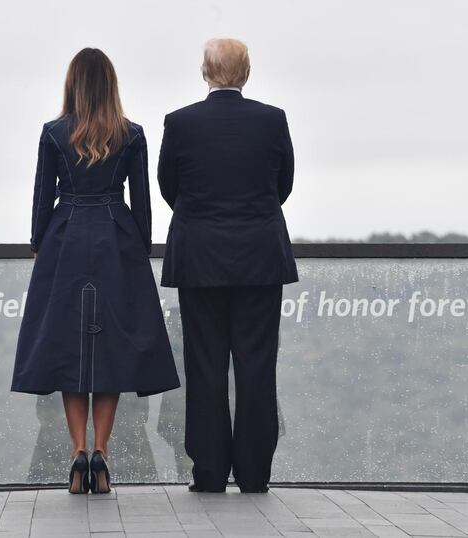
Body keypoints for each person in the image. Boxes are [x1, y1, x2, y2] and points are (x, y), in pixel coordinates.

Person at [11, 47, 181, 495]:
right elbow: (142, 202)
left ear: (73, 84)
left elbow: (40, 198)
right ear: (110, 85)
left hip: (65, 238)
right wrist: (138, 246)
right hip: (115, 238)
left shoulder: (52, 133)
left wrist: (38, 242)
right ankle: (102, 453)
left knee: (70, 350)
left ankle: (77, 454)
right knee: (109, 351)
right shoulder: (132, 134)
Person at [157, 38, 298, 493]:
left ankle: (210, 472)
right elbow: (284, 185)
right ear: (247, 72)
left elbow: (168, 186)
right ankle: (255, 473)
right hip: (259, 257)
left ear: (204, 71)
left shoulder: (179, 123)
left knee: (205, 366)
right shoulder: (272, 120)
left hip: (199, 259)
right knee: (257, 366)